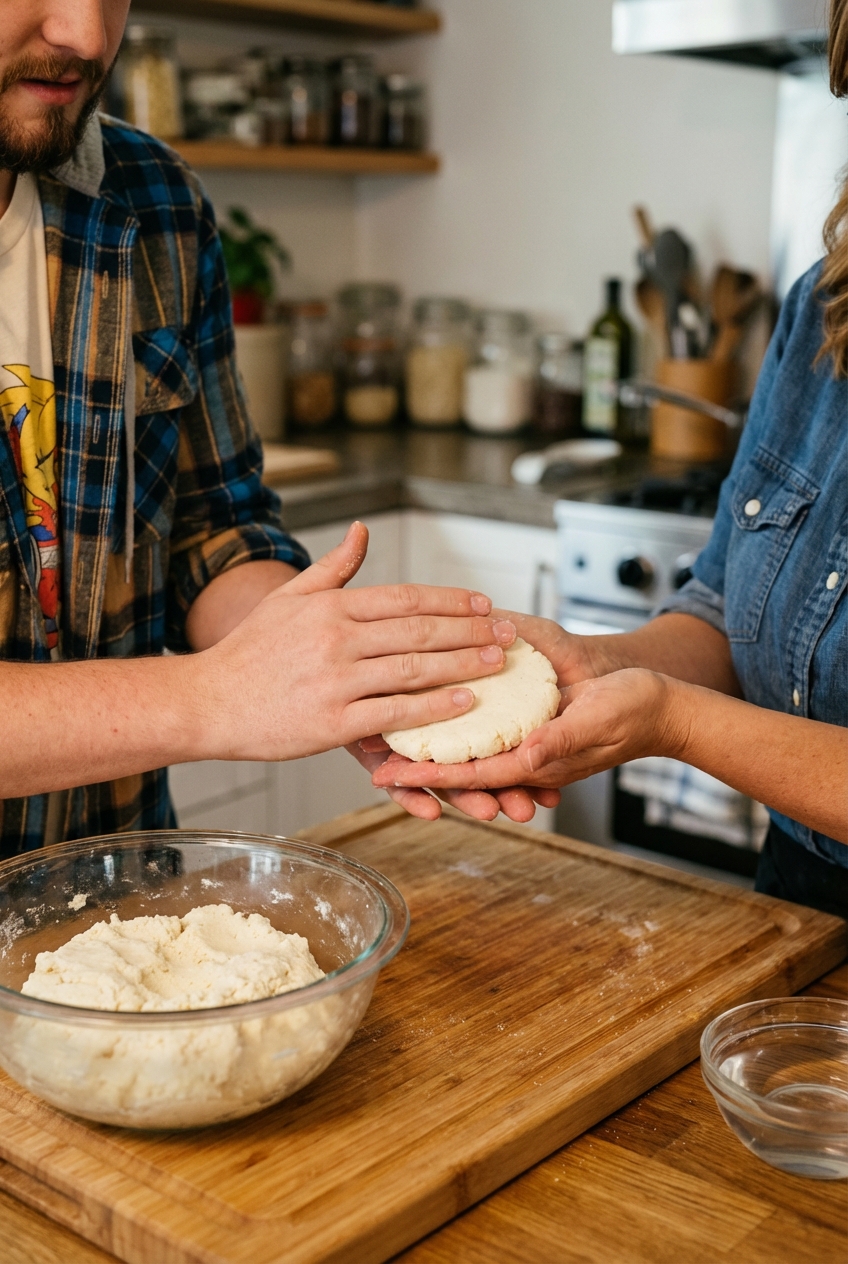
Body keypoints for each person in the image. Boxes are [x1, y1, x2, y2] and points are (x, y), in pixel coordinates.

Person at [0, 1, 524, 859]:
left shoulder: (154, 201)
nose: (89, 36)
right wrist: (215, 698)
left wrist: (329, 666)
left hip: (119, 897)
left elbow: (212, 527)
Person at [370, 2, 848, 918]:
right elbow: (721, 609)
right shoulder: (823, 309)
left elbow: (687, 706)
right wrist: (589, 664)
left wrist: (670, 720)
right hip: (799, 915)